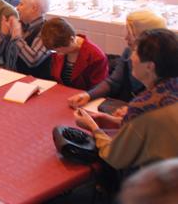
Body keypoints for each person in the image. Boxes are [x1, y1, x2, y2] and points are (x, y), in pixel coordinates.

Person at [74, 28, 178, 170]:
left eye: (135, 52)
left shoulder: (143, 105)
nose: (131, 58)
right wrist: (111, 120)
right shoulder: (171, 90)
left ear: (149, 66)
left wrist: (93, 128)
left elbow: (115, 157)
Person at [68, 10, 166, 108]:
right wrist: (88, 95)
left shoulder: (166, 62)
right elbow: (114, 82)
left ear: (143, 36)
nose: (126, 37)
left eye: (130, 33)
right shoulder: (129, 52)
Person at [0, 0, 51, 78]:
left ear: (34, 8)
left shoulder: (46, 30)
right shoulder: (19, 25)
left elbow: (33, 60)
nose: (17, 8)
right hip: (10, 78)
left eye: (21, 4)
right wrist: (4, 35)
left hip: (33, 85)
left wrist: (17, 38)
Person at [40, 17, 108, 90]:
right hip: (62, 93)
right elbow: (55, 78)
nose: (58, 54)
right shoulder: (58, 47)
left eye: (60, 51)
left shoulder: (96, 56)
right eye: (55, 51)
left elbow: (98, 88)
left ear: (71, 39)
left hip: (84, 97)